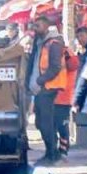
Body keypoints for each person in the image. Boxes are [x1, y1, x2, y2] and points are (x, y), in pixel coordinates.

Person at [28, 16, 68, 164]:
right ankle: (51, 152)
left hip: (49, 87)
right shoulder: (40, 42)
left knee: (45, 122)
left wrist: (40, 80)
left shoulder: (54, 43)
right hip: (42, 87)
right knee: (41, 122)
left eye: (37, 25)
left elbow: (55, 66)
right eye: (33, 25)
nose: (34, 28)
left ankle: (52, 154)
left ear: (46, 26)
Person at [54, 41, 79, 156]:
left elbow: (73, 65)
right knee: (53, 125)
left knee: (62, 125)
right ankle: (55, 150)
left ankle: (63, 150)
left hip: (63, 97)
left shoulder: (67, 54)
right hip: (54, 97)